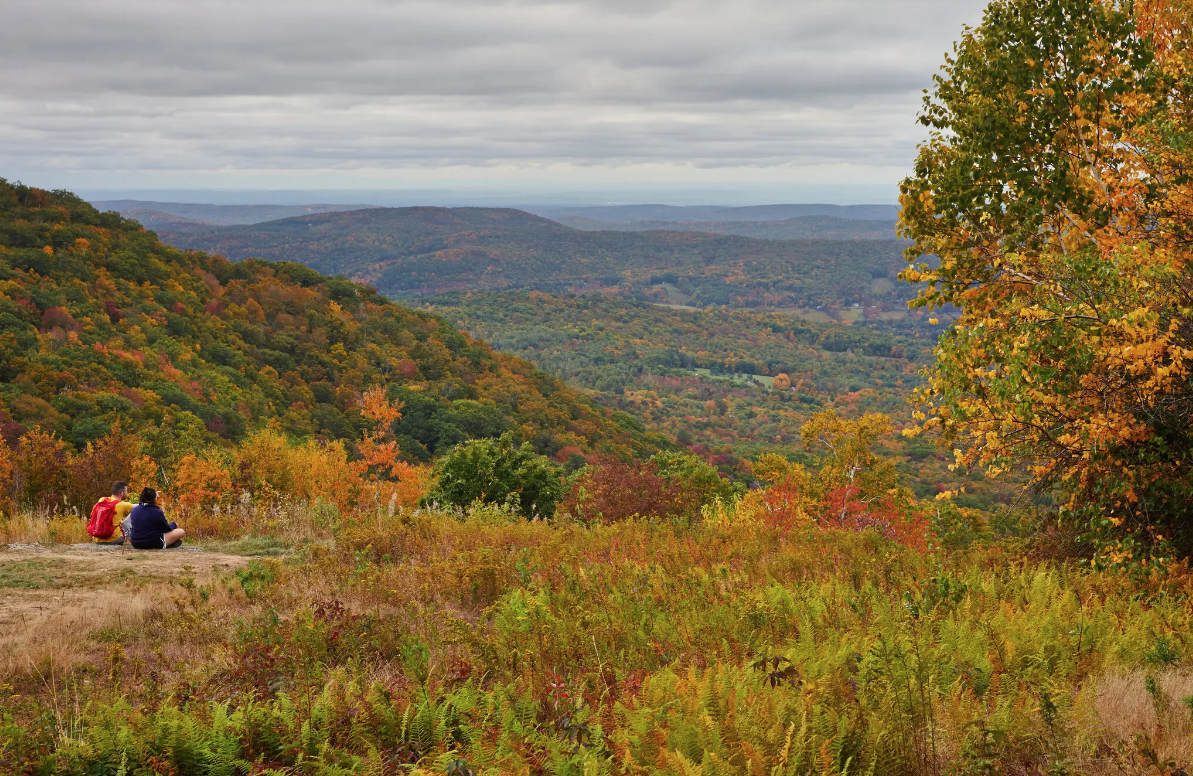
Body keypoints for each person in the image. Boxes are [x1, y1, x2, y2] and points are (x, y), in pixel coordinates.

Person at [88, 481, 136, 545]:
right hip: (114, 540)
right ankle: (136, 541)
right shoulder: (122, 505)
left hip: (98, 539)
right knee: (129, 518)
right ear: (121, 493)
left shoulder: (102, 500)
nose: (127, 492)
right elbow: (140, 507)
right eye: (126, 491)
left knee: (120, 522)